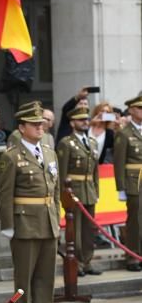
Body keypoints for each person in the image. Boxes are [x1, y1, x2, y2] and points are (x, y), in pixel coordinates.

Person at [0, 101, 61, 303]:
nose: (40, 127)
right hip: (24, 223)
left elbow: (55, 190)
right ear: (21, 127)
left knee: (46, 275)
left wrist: (57, 217)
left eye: (41, 123)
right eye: (34, 124)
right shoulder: (12, 156)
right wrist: (8, 226)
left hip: (48, 220)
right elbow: (5, 194)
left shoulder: (49, 153)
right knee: (25, 276)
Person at [57, 103, 101, 276]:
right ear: (72, 123)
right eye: (80, 119)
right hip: (74, 191)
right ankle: (76, 264)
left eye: (86, 119)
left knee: (90, 230)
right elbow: (62, 172)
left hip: (89, 189)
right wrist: (64, 195)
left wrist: (96, 190)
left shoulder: (92, 142)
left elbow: (95, 170)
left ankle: (87, 261)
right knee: (75, 230)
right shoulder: (66, 143)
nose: (85, 122)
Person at [113, 95, 142, 271]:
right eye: (139, 108)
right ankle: (133, 256)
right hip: (133, 181)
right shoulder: (124, 133)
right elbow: (119, 162)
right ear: (131, 110)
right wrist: (121, 188)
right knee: (135, 221)